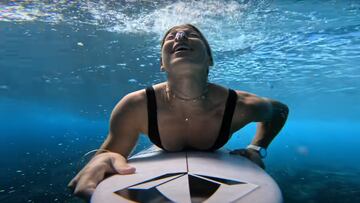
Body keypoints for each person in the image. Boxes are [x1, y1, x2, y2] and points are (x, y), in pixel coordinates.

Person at [68, 24, 289, 201]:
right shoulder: (136, 106)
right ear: (162, 64)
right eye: (170, 37)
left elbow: (280, 111)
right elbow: (112, 151)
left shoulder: (239, 105)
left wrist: (256, 149)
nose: (180, 36)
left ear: (210, 60)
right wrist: (103, 157)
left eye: (192, 35)